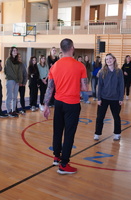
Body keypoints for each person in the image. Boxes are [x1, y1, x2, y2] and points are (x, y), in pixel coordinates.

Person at [43, 38, 88, 174]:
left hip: (58, 103)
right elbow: (85, 88)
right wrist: (75, 84)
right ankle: (64, 165)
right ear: (72, 48)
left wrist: (46, 105)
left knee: (57, 130)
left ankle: (56, 157)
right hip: (72, 104)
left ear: (61, 49)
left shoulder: (54, 66)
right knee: (69, 134)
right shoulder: (80, 66)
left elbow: (50, 88)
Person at [94, 53, 124, 141]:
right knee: (100, 117)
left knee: (116, 116)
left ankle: (117, 133)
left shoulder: (119, 71)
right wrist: (98, 98)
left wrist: (121, 98)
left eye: (110, 58)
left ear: (114, 59)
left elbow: (121, 85)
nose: (108, 61)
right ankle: (97, 133)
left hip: (115, 99)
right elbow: (99, 86)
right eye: (107, 59)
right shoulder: (102, 72)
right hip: (103, 98)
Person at [4, 47, 23, 117]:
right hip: (11, 80)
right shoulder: (8, 60)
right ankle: (9, 111)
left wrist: (20, 80)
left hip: (17, 81)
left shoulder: (17, 62)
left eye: (16, 50)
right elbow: (9, 71)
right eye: (14, 50)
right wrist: (16, 79)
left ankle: (13, 110)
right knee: (9, 96)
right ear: (11, 52)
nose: (15, 52)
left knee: (15, 97)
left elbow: (19, 72)